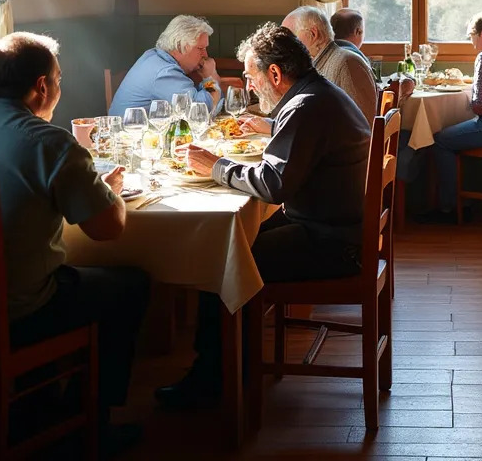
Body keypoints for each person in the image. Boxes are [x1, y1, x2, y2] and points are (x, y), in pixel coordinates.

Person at [0, 33, 149, 451]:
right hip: (12, 317)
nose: (59, 90)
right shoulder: (49, 141)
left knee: (44, 276)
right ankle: (86, 426)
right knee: (128, 286)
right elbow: (107, 229)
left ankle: (37, 407)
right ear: (42, 87)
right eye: (59, 81)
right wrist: (111, 191)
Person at [156, 22, 371, 409]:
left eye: (251, 75)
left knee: (220, 259)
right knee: (235, 240)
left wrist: (215, 165)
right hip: (338, 227)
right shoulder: (317, 94)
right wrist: (273, 126)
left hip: (333, 243)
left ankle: (214, 379)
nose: (249, 85)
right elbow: (306, 147)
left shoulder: (306, 106)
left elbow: (273, 185)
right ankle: (232, 364)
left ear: (274, 72)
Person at [418, 12, 482, 222]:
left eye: (471, 36)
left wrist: (473, 96)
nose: (472, 42)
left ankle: (451, 208)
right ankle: (459, 202)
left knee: (439, 140)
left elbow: (481, 108)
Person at [110, 14, 220, 116]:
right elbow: (200, 113)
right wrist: (210, 77)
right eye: (201, 48)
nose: (205, 54)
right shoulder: (165, 72)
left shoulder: (154, 56)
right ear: (179, 45)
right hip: (129, 135)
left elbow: (214, 106)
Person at [283, 6, 377, 122]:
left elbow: (363, 125)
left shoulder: (346, 63)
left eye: (291, 38)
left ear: (313, 34)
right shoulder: (318, 63)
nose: (287, 46)